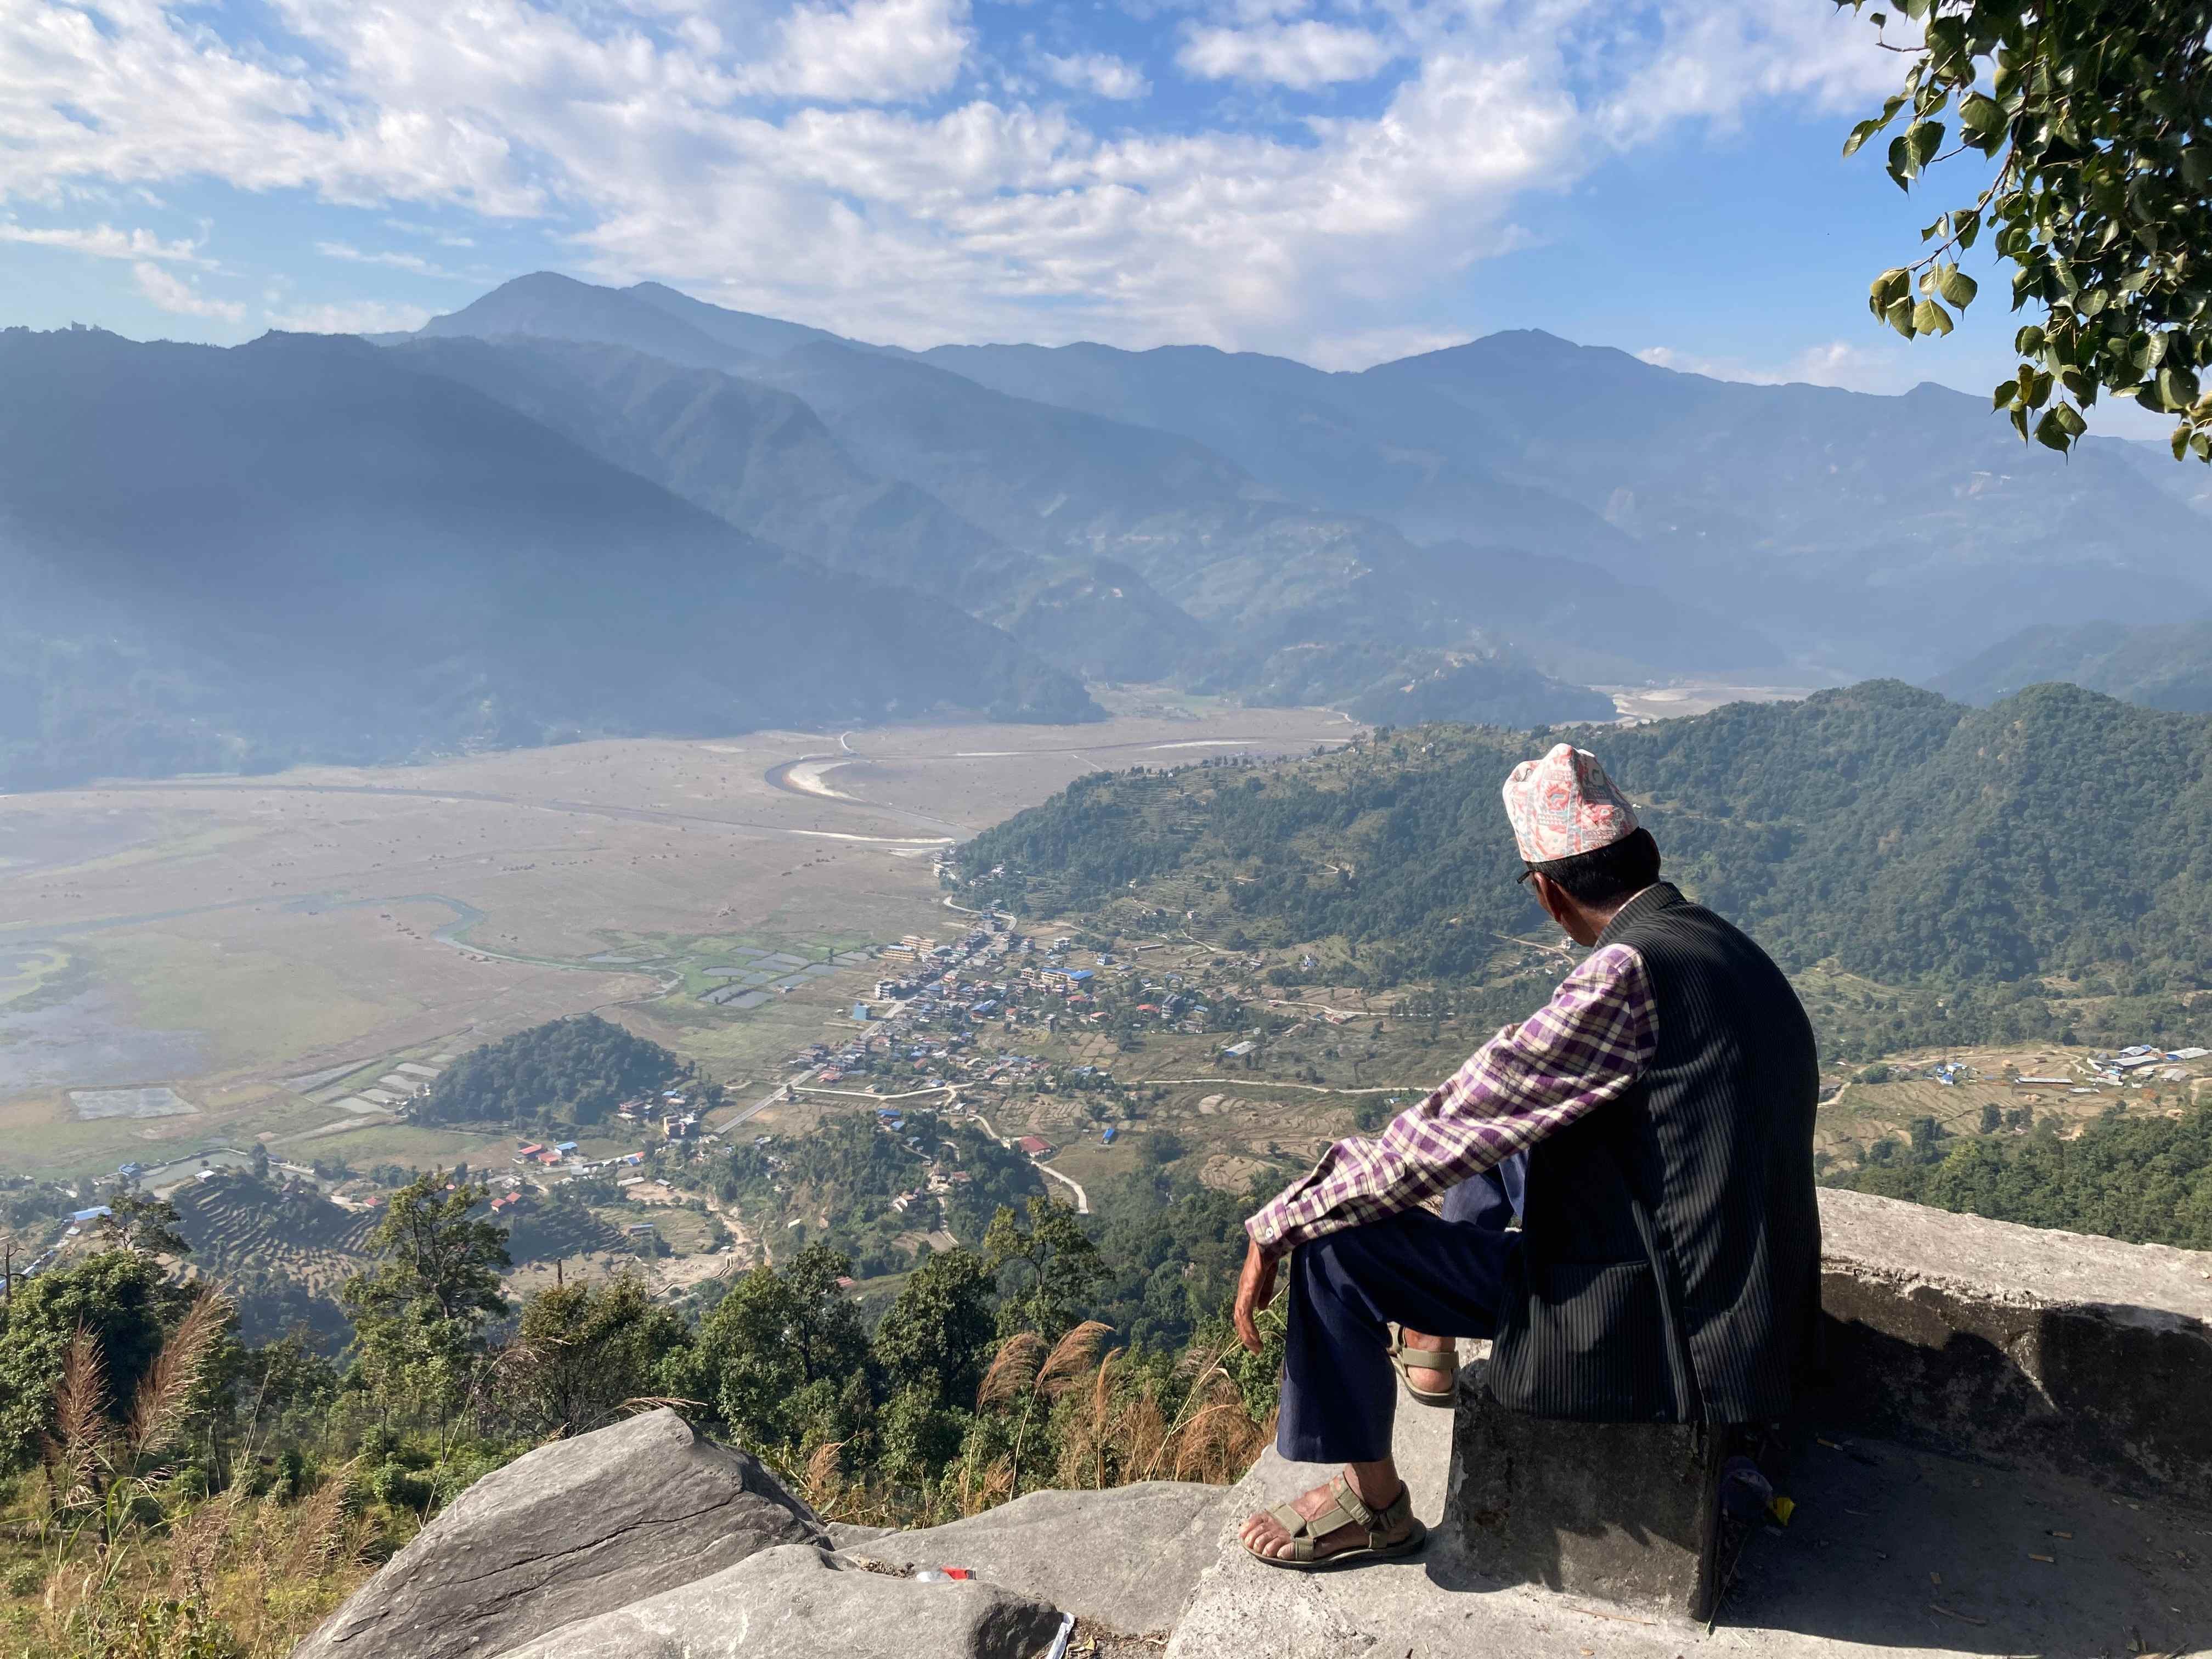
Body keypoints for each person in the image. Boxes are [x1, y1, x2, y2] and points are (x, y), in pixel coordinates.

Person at [1232, 742, 1820, 1568]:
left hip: (1656, 1329)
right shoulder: (1721, 947)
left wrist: (1284, 1219)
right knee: (1520, 1122)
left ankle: (1374, 1505)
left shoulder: (1626, 976)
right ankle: (1427, 1337)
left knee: (1334, 1242)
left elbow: (1451, 1124)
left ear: (1547, 893)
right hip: (1743, 1305)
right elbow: (1498, 1109)